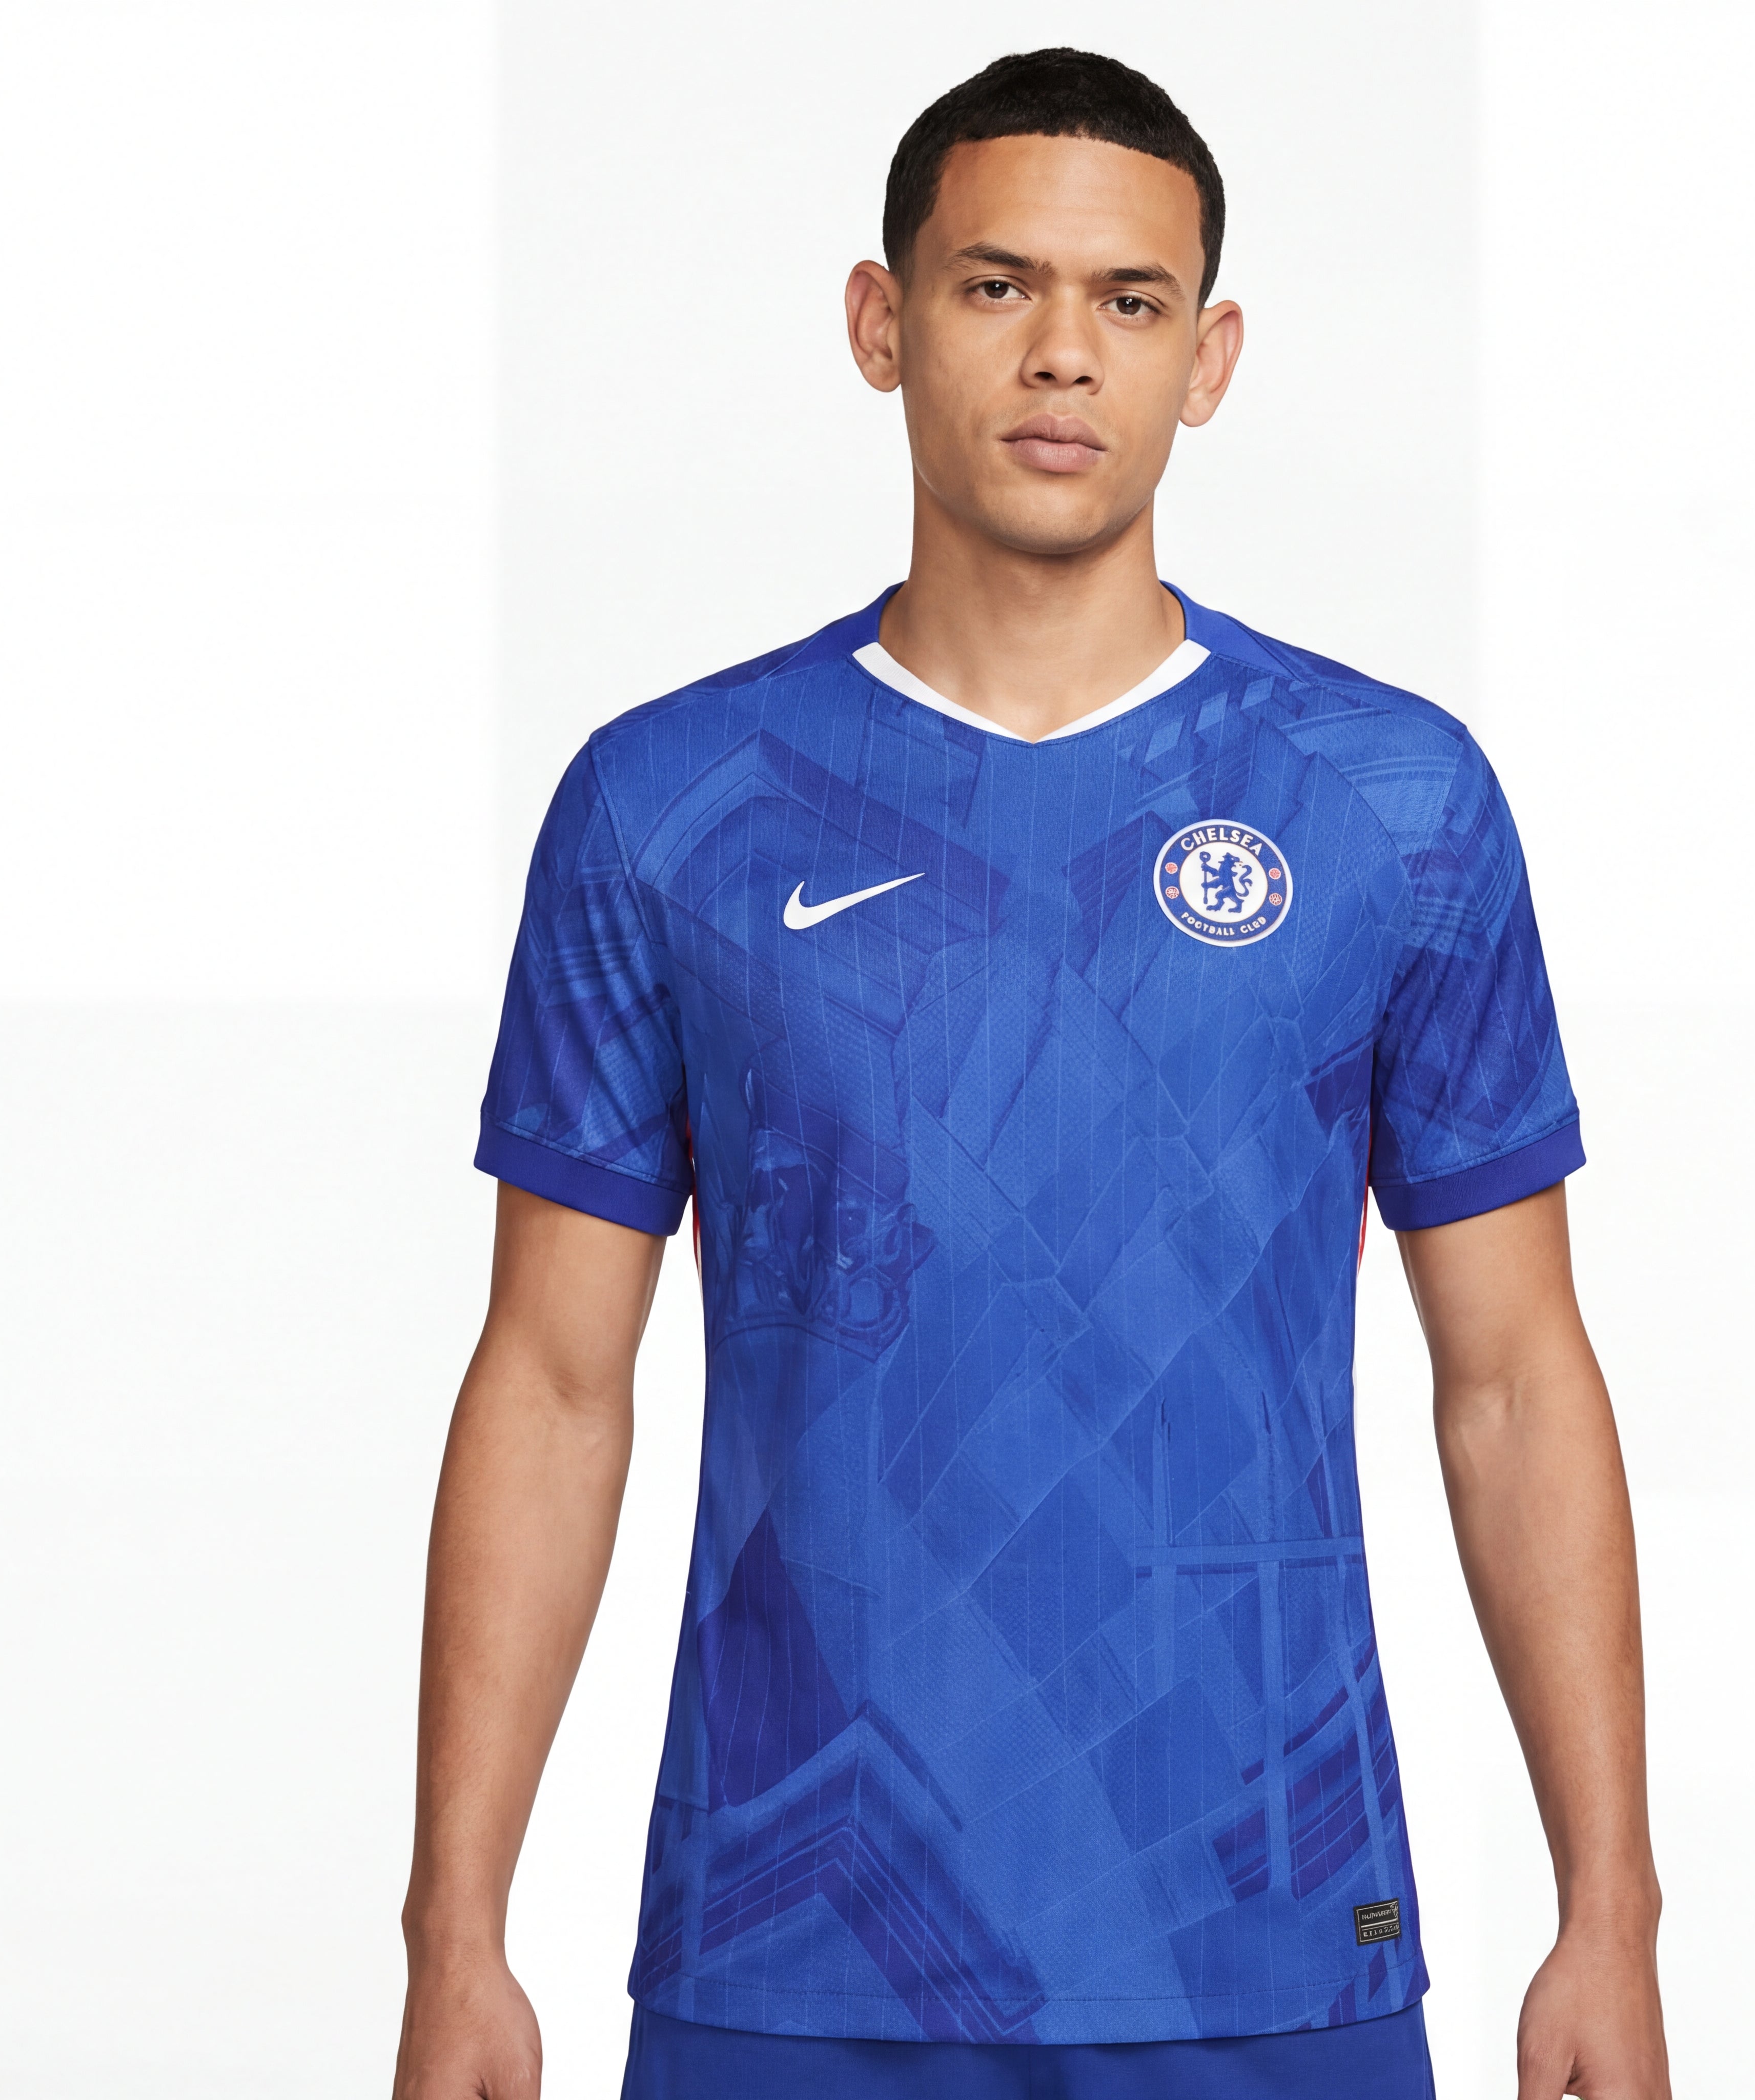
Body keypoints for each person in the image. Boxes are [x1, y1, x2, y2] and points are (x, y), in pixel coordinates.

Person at [393, 47, 1671, 2100]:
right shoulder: (672, 808)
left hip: (1273, 1933)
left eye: (1128, 301)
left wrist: (1610, 1912)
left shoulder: (1387, 806)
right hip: (785, 1941)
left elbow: (1515, 1377)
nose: (1063, 353)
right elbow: (551, 1380)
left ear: (1208, 356)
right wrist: (455, 1929)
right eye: (996, 286)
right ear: (881, 323)